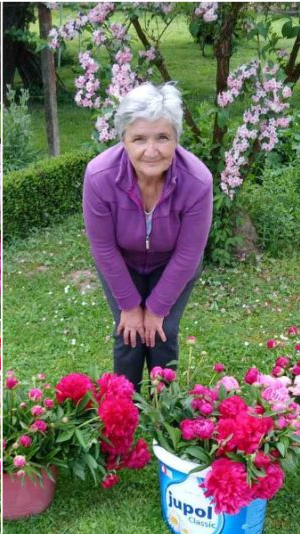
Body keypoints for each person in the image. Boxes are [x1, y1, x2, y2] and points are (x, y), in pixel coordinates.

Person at [82, 82, 213, 388]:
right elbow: (103, 248)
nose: (151, 151)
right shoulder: (99, 176)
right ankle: (123, 410)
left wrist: (155, 311)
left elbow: (189, 254)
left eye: (163, 138)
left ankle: (163, 413)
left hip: (173, 263)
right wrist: (130, 308)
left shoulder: (198, 181)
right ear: (123, 140)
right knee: (128, 334)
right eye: (139, 138)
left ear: (176, 139)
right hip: (121, 261)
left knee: (162, 332)